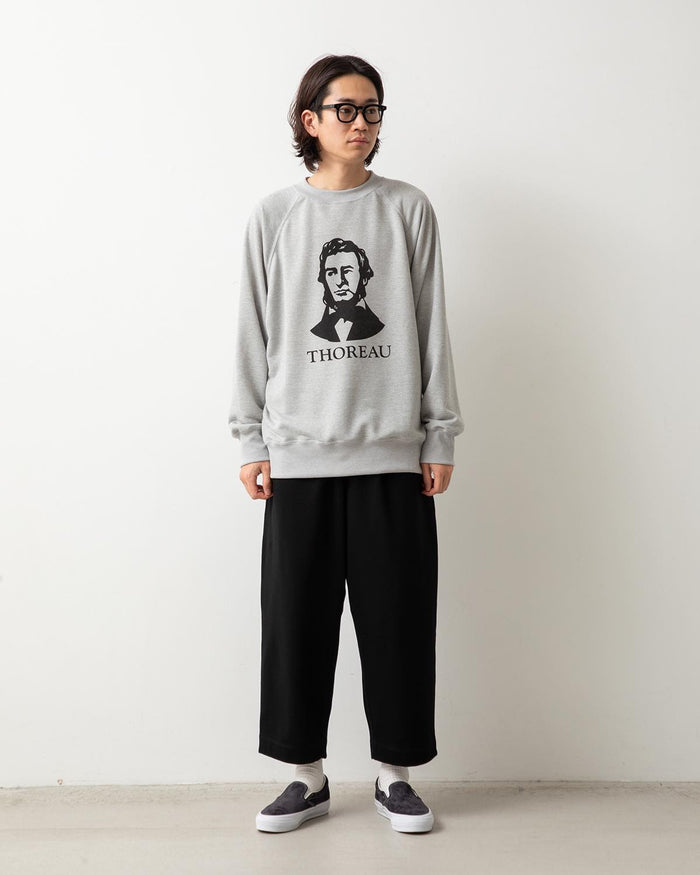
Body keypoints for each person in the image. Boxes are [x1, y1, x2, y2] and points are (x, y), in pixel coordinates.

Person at [228, 54, 464, 834]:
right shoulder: (274, 216)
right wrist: (250, 438)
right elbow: (252, 333)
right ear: (311, 120)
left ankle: (396, 776)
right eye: (345, 109)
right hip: (297, 457)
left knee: (398, 621)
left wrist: (440, 432)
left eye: (372, 110)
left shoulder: (407, 209)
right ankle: (304, 776)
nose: (361, 123)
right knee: (295, 624)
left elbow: (432, 325)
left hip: (393, 455)